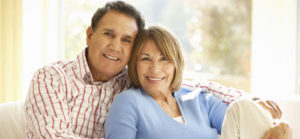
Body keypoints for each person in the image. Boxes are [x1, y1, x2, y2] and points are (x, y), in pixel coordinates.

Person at [24, 1, 282, 138]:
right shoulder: (52, 78)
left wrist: (249, 100)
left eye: (127, 40)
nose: (115, 46)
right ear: (90, 35)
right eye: (108, 34)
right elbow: (52, 136)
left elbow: (192, 86)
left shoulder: (131, 79)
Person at [104, 25, 292, 139]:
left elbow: (243, 125)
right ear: (134, 64)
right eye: (145, 58)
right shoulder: (128, 102)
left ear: (176, 64)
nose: (155, 68)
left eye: (164, 59)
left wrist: (281, 127)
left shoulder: (200, 100)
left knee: (244, 106)